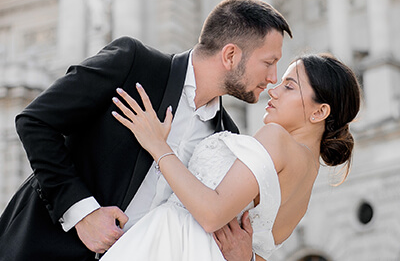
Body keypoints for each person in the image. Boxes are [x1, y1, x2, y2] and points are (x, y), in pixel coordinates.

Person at [0, 0, 292, 261]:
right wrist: (82, 212)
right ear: (230, 55)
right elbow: (36, 121)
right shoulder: (134, 64)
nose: (273, 77)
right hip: (43, 249)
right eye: (269, 62)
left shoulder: (226, 138)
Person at [100, 53, 361, 261]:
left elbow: (212, 213)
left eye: (289, 87)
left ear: (319, 112)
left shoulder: (276, 138)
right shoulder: (306, 185)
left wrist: (158, 146)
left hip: (173, 242)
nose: (274, 90)